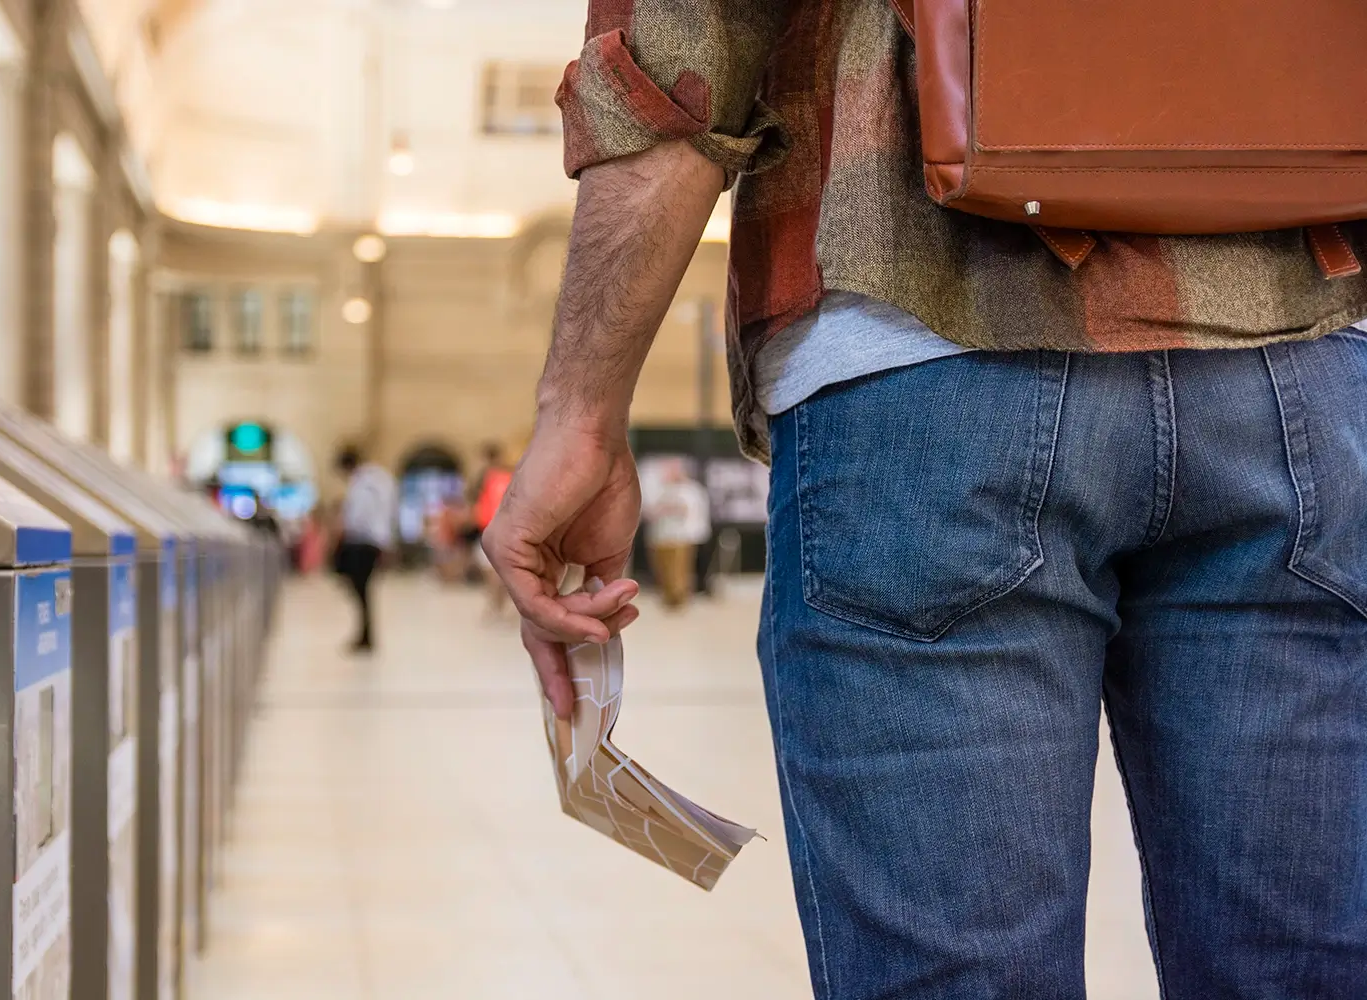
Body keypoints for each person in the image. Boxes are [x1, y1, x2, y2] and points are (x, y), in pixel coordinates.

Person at [480, 3, 1367, 996]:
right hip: (1304, 356)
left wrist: (583, 410)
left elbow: (685, 48)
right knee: (1311, 966)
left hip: (927, 334)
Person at [333, 446, 396, 653]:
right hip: (375, 542)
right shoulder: (378, 478)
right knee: (364, 593)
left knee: (361, 592)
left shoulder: (362, 484)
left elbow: (358, 516)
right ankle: (365, 634)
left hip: (362, 542)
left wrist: (343, 531)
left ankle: (365, 636)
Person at [643, 459, 711, 610]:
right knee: (664, 570)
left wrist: (667, 509)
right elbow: (650, 511)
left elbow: (686, 510)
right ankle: (668, 597)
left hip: (681, 536)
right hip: (661, 536)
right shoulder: (661, 489)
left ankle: (680, 598)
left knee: (680, 570)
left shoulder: (690, 490)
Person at [470, 443, 514, 618]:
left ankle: (496, 607)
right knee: (496, 572)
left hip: (493, 530)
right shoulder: (505, 477)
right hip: (496, 529)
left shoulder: (495, 479)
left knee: (495, 572)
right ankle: (496, 606)